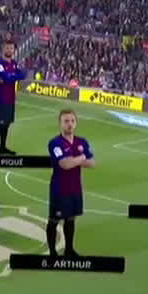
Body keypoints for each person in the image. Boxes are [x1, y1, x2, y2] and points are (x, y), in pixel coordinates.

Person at [47, 109, 94, 257]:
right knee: (54, 220)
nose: (70, 124)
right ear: (60, 124)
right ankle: (53, 253)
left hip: (75, 188)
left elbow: (92, 163)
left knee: (71, 219)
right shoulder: (55, 143)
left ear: (76, 123)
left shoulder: (82, 142)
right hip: (59, 189)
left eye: (72, 121)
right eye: (66, 121)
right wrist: (81, 158)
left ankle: (69, 249)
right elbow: (65, 164)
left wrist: (74, 159)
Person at [0, 39, 27, 156]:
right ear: (3, 49)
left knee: (6, 125)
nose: (9, 50)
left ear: (14, 50)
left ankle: (2, 147)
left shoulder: (14, 63)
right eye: (7, 48)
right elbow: (7, 78)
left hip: (11, 99)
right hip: (1, 100)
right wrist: (13, 76)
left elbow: (23, 74)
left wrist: (11, 77)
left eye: (11, 48)